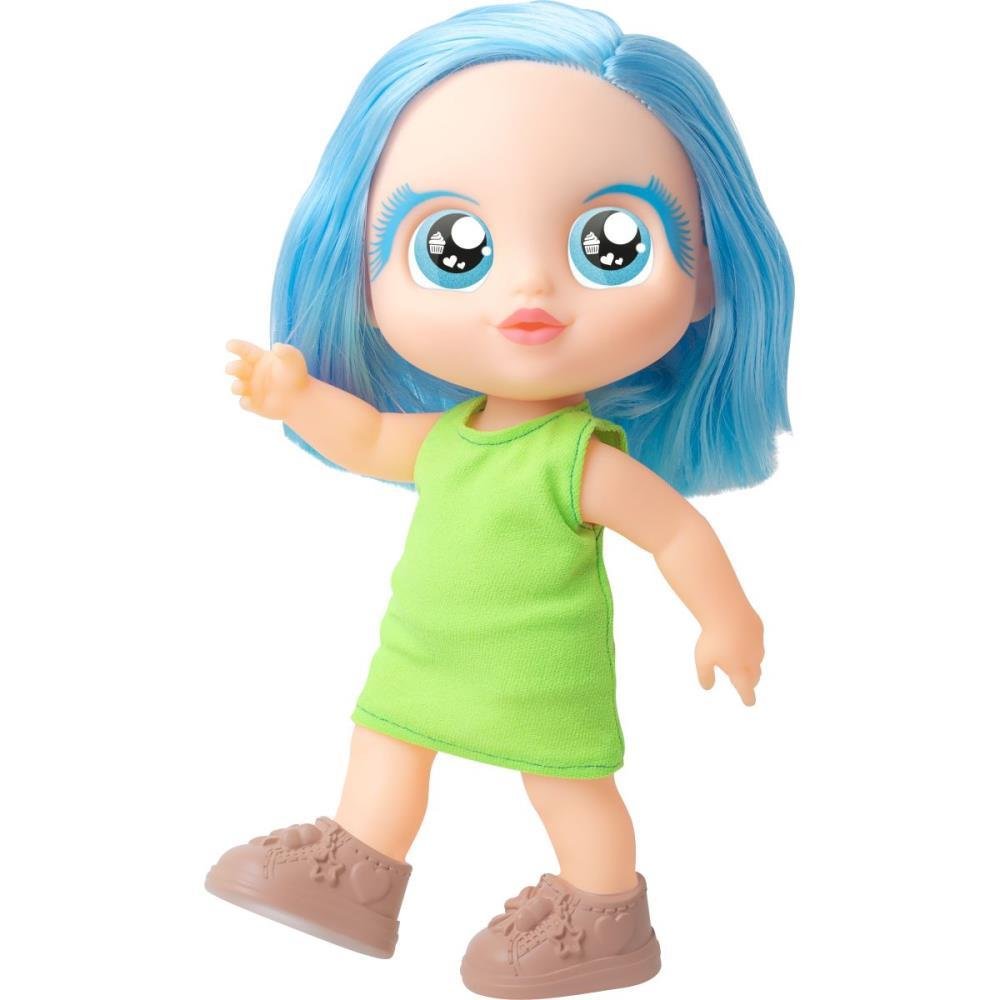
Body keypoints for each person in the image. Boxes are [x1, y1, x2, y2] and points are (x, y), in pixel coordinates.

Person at [206, 3, 792, 996]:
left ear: (705, 282)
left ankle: (602, 908)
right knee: (384, 742)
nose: (528, 289)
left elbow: (676, 531)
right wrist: (295, 398)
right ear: (361, 268)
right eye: (456, 246)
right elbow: (371, 438)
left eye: (610, 243)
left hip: (537, 676)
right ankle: (358, 865)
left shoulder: (577, 459)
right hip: (423, 652)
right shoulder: (451, 435)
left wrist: (727, 617)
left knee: (567, 788)